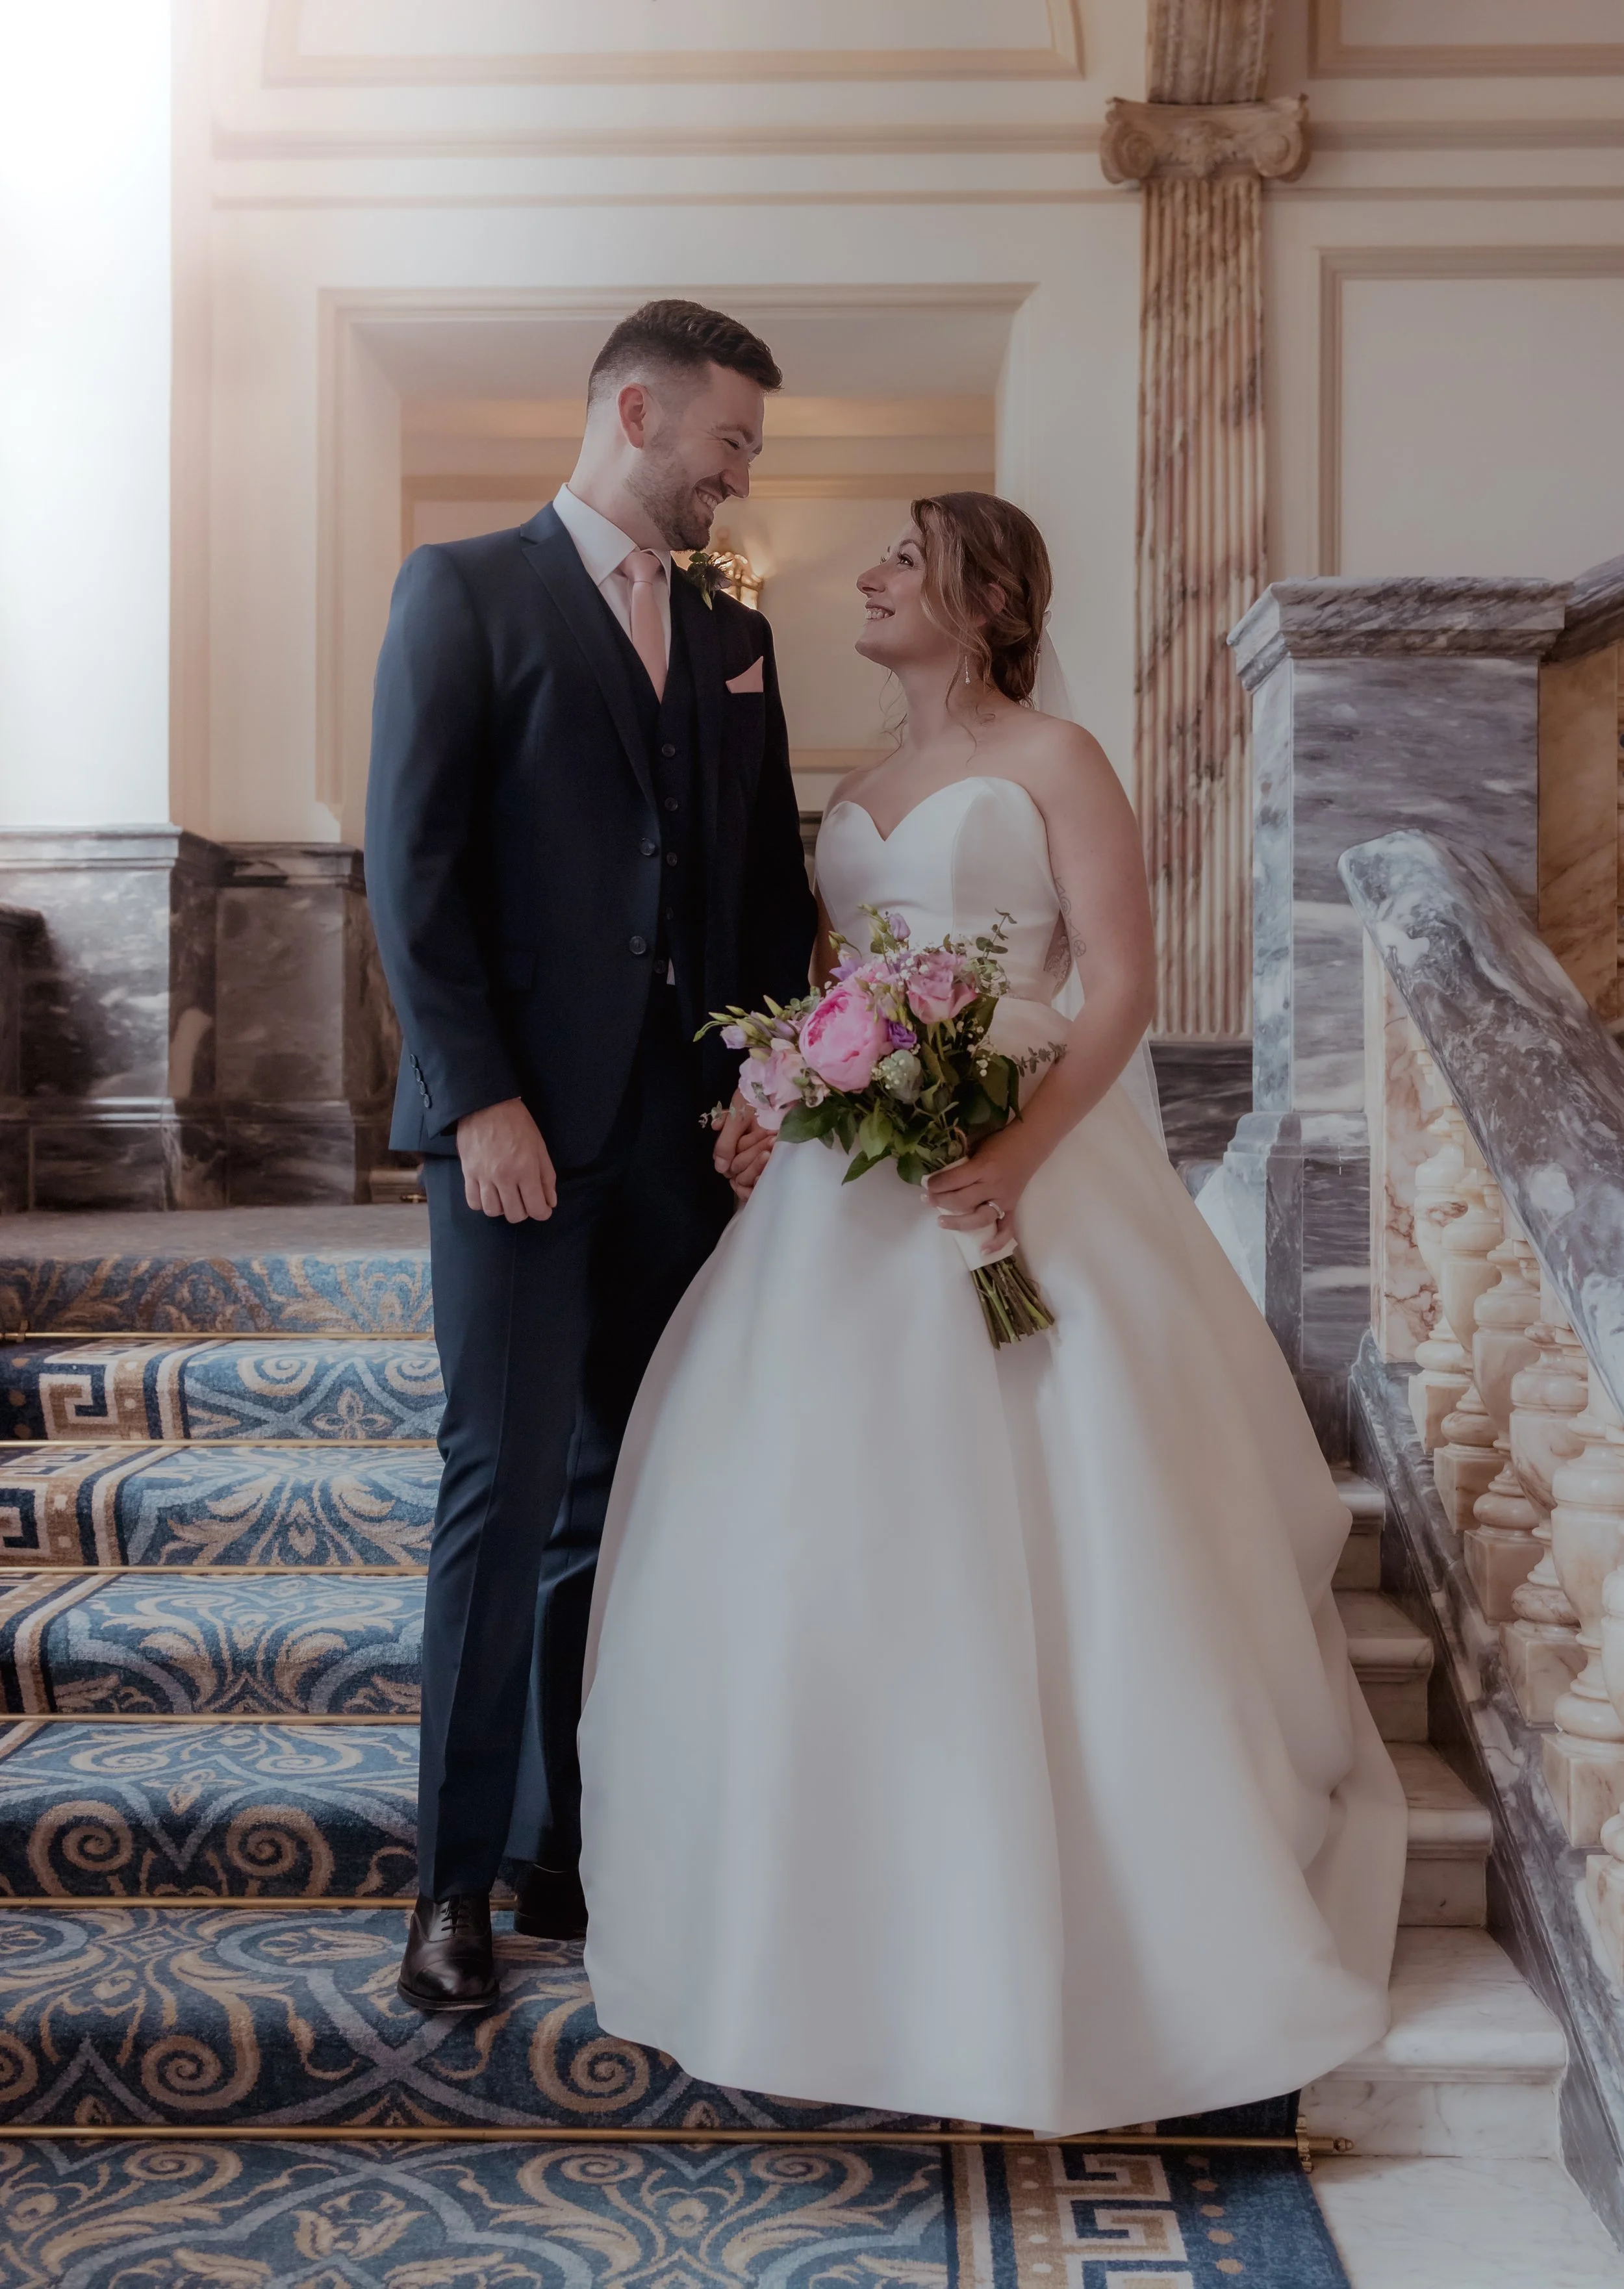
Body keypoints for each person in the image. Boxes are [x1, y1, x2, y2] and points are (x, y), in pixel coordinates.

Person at [576, 492, 1407, 2132]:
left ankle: (1112, 1905)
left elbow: (1117, 980)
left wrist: (1018, 1152)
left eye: (898, 557)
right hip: (851, 1172)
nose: (866, 578)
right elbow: (831, 983)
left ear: (983, 594)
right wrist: (773, 1086)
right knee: (822, 1517)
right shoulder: (857, 785)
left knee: (1060, 1493)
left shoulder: (1057, 758)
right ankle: (822, 1909)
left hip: (1026, 1154)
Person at [365, 301, 817, 2012]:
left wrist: (759, 1081)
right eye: (729, 443)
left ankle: (569, 1845)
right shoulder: (461, 591)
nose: (738, 473)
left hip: (683, 1152)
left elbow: (756, 890)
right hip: (513, 1142)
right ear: (637, 409)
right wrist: (476, 1099)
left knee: (627, 1499)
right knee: (498, 1496)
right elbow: (409, 875)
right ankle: (450, 1886)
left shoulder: (728, 634)